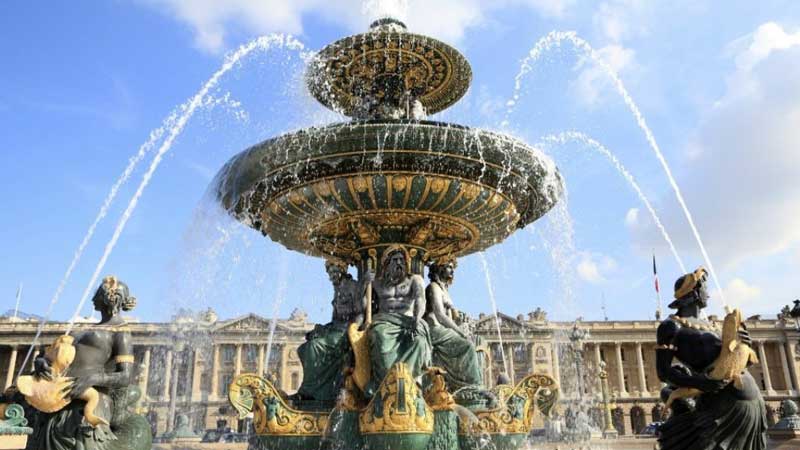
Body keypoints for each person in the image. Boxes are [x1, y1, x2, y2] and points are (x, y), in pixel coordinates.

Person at [25, 275, 151, 450]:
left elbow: (125, 375)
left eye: (98, 294)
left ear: (112, 298)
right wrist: (42, 362)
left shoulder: (121, 331)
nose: (93, 298)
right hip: (58, 397)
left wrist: (92, 379)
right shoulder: (82, 330)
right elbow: (58, 357)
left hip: (88, 404)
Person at [656, 267, 766, 450]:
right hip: (719, 403)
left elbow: (736, 360)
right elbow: (663, 372)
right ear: (695, 292)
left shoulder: (714, 325)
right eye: (705, 288)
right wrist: (700, 383)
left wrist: (745, 347)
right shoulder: (670, 326)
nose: (708, 293)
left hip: (750, 401)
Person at [295, 259, 365, 402]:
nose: (332, 275)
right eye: (330, 272)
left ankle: (311, 391)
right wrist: (322, 329)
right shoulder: (337, 289)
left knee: (313, 347)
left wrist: (352, 332)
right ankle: (315, 389)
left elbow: (360, 313)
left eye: (334, 271)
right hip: (336, 329)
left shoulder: (352, 286)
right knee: (303, 348)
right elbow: (334, 318)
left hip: (345, 331)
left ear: (342, 270)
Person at [365, 245, 431, 392]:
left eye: (402, 260)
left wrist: (417, 318)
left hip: (408, 320)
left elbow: (421, 300)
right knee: (379, 337)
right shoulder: (376, 282)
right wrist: (364, 283)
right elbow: (362, 305)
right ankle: (386, 383)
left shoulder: (415, 279)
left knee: (419, 341)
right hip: (384, 321)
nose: (399, 263)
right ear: (386, 264)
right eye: (395, 260)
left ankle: (413, 382)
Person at [424, 258, 482, 390]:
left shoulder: (443, 289)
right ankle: (471, 386)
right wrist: (460, 332)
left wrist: (458, 330)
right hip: (433, 329)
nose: (452, 270)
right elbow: (439, 314)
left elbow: (449, 316)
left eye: (452, 267)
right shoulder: (434, 287)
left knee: (468, 343)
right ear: (440, 268)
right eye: (449, 267)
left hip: (442, 330)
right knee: (467, 346)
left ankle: (462, 383)